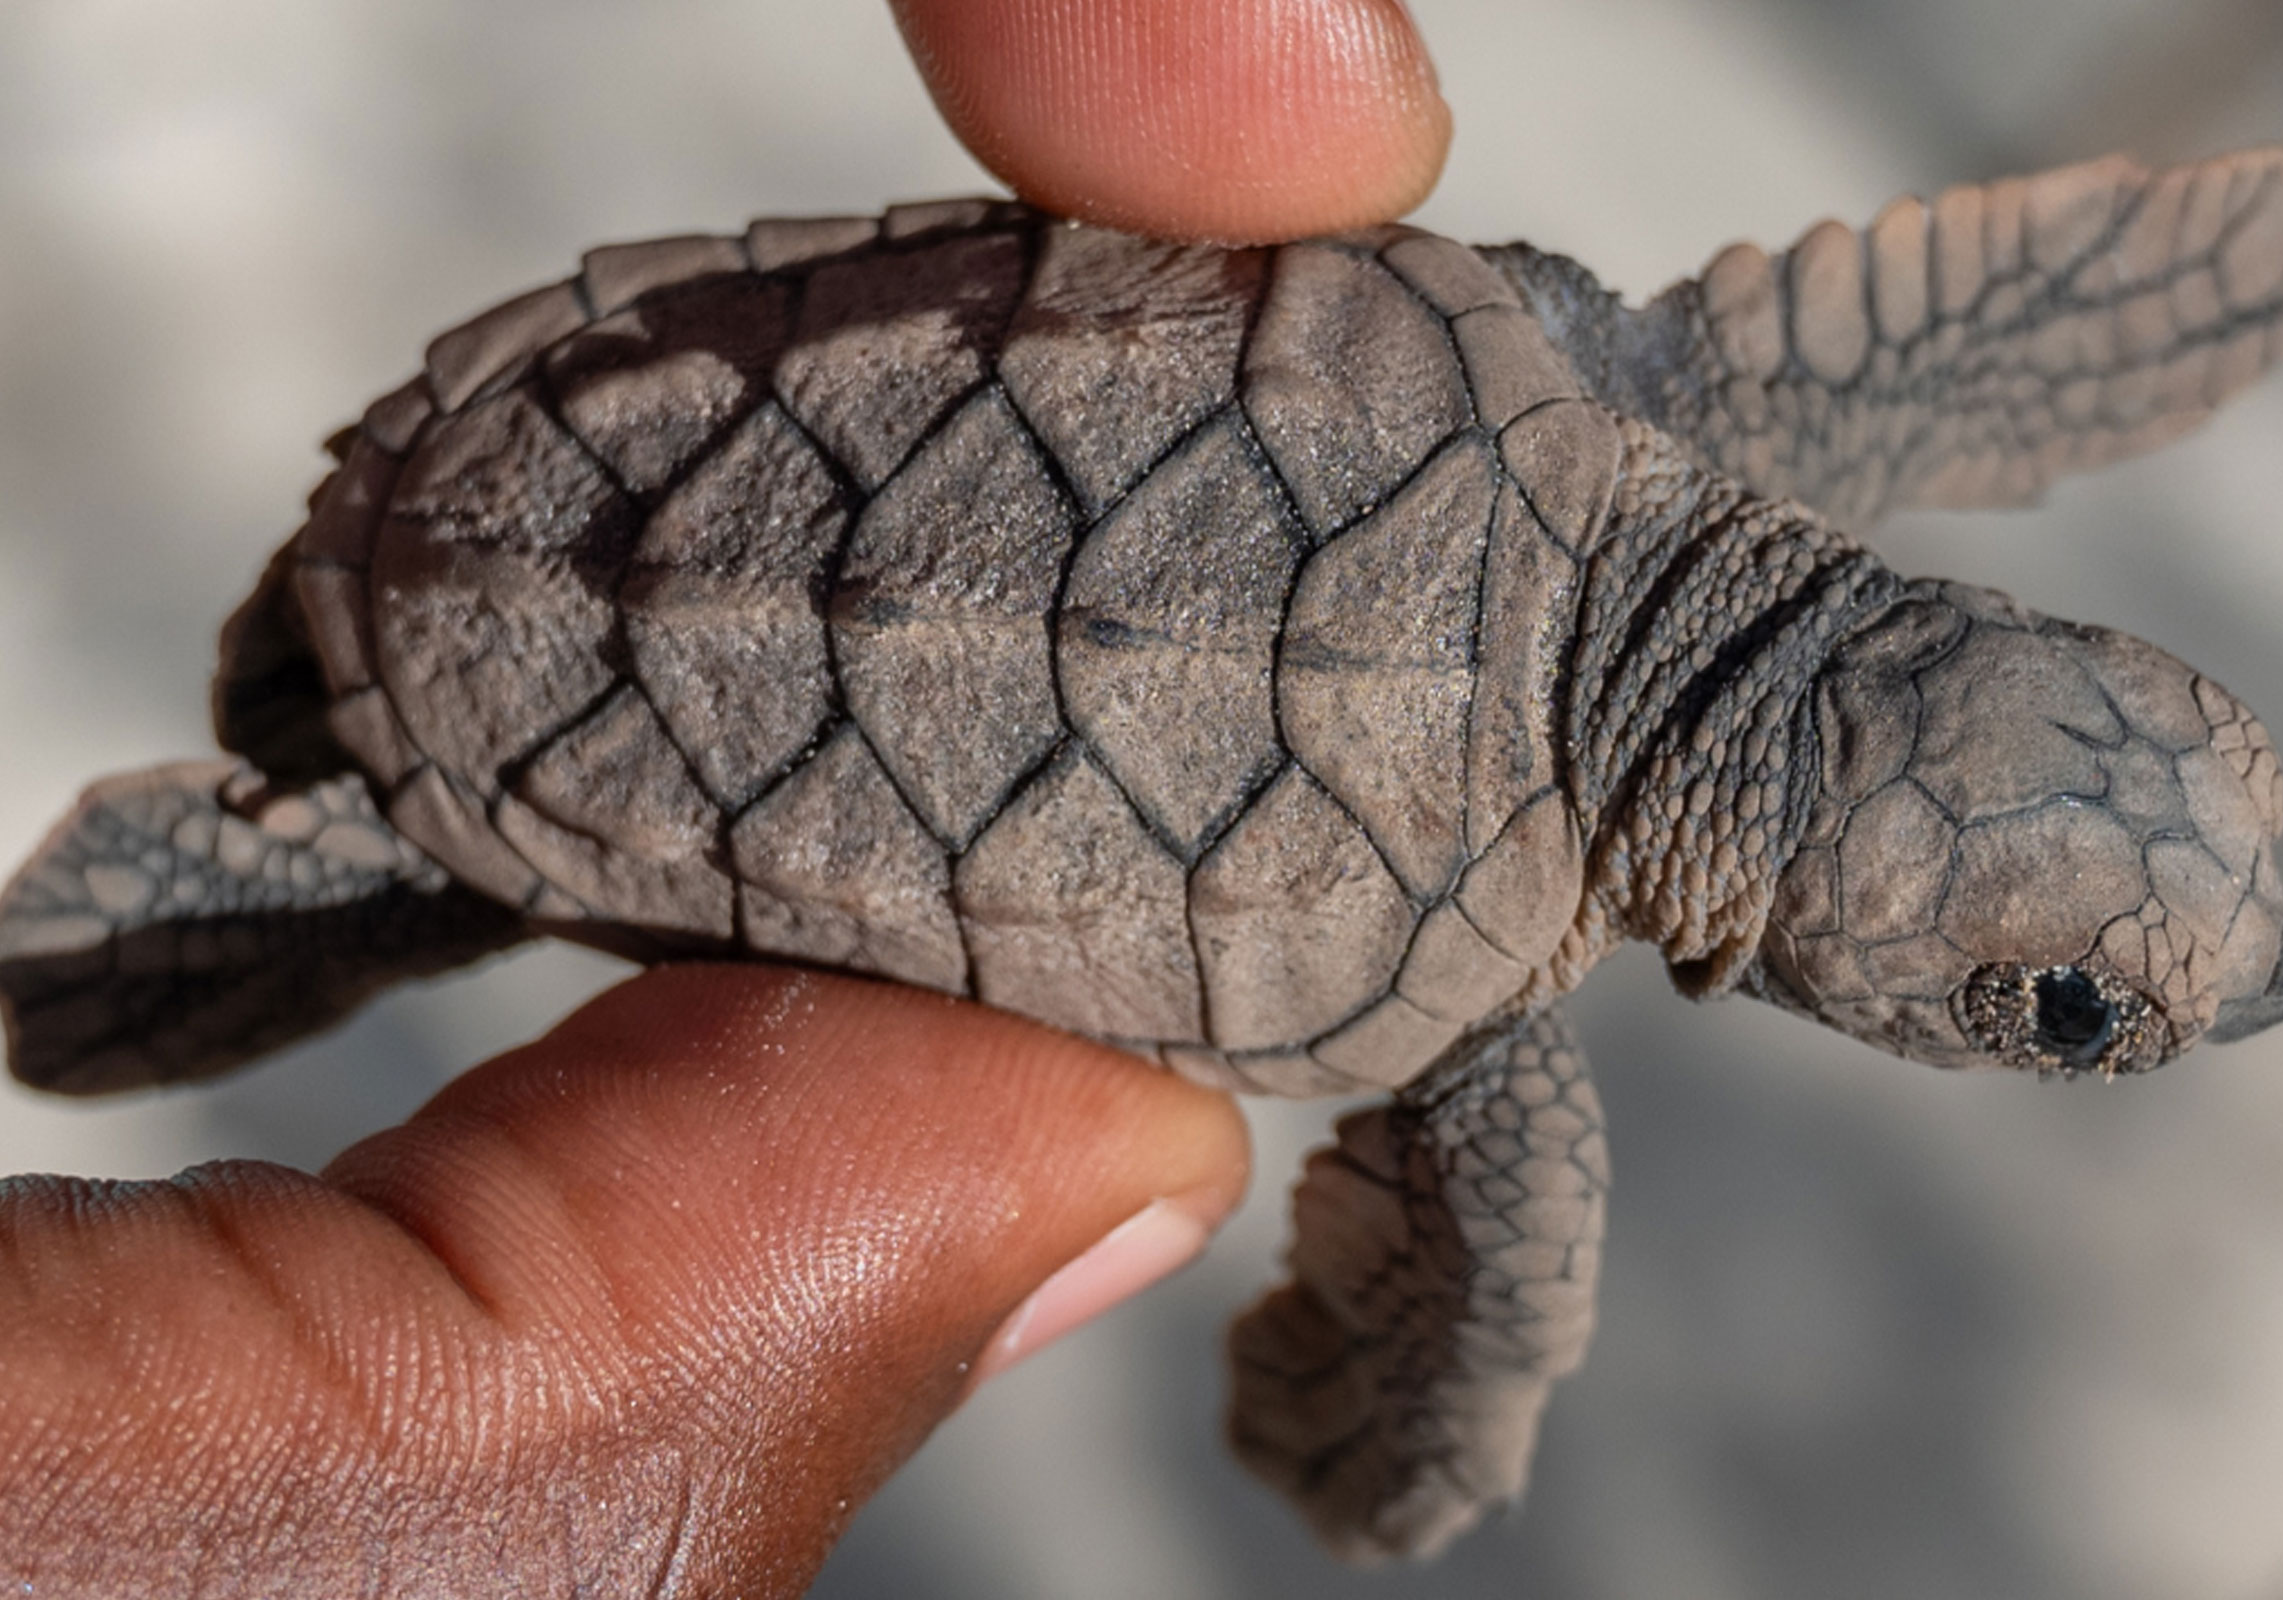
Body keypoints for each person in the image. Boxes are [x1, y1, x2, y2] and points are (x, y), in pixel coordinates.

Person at [0, 2, 1451, 1591]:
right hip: (540, 757)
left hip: (595, 446)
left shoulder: (1544, 379)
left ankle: (358, 851)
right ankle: (356, 871)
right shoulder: (1479, 1016)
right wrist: (1396, 1444)